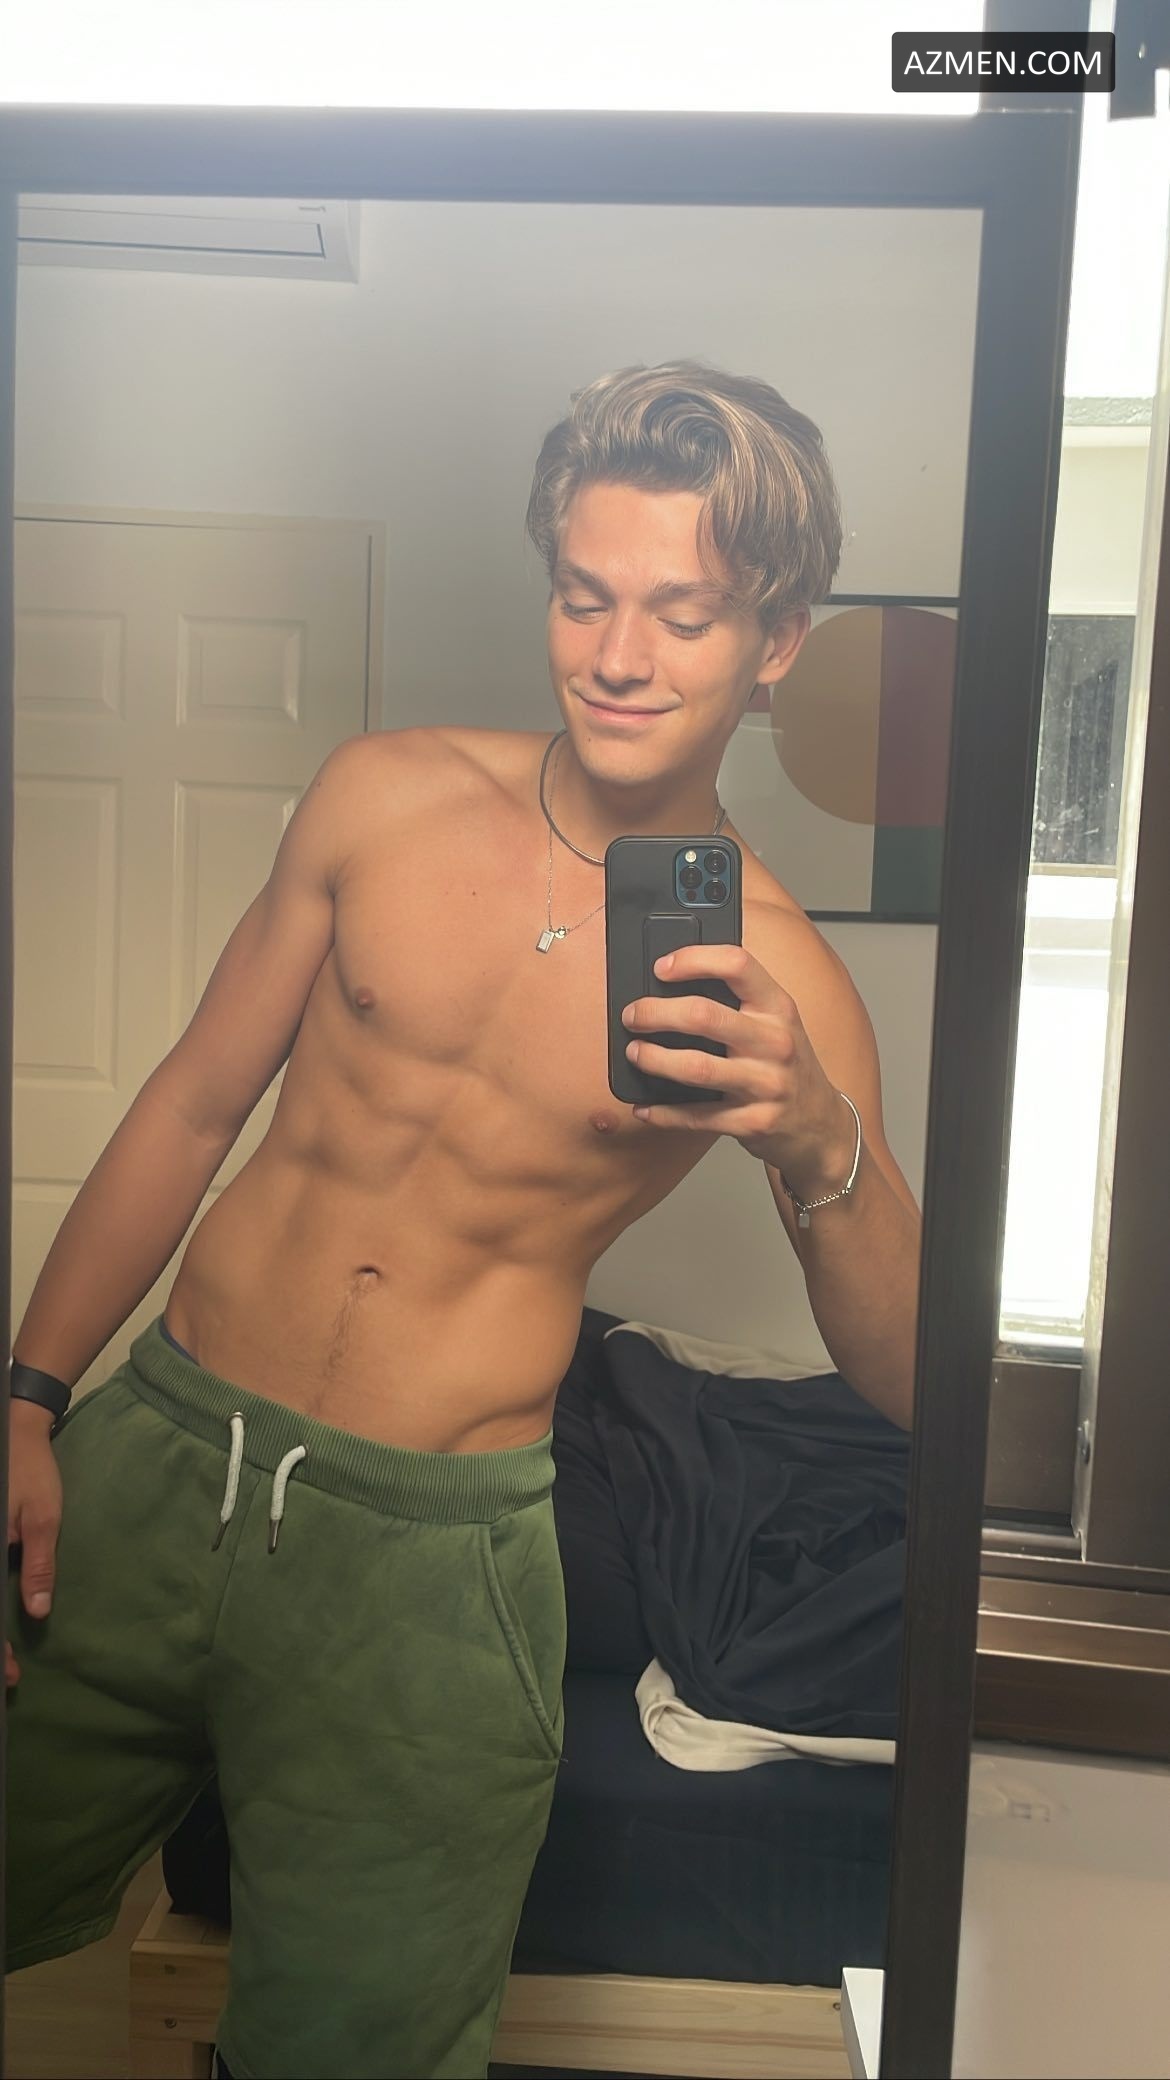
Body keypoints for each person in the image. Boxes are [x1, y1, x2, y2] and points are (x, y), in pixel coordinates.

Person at [5, 360, 922, 2080]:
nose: (619, 655)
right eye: (584, 596)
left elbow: (907, 1378)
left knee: (354, 2048)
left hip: (434, 1564)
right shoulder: (383, 793)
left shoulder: (782, 976)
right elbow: (193, 1107)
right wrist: (30, 1398)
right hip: (161, 1458)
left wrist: (820, 1140)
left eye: (681, 615)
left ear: (773, 640)